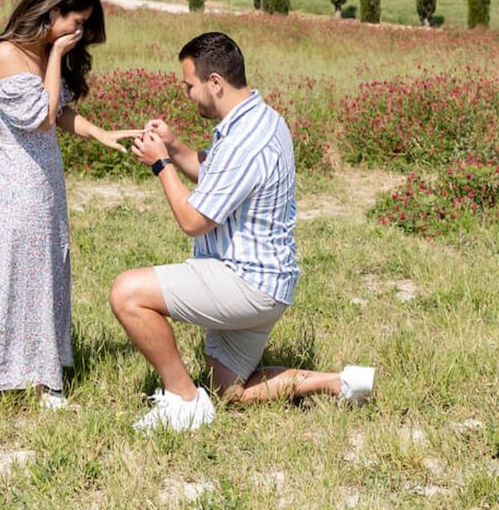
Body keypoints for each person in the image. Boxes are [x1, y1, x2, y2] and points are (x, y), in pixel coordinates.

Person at [111, 31, 376, 432]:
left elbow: (193, 220)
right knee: (229, 391)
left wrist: (161, 165)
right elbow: (216, 173)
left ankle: (183, 400)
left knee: (127, 293)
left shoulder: (244, 142)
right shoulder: (260, 119)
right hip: (269, 282)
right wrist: (174, 145)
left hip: (244, 282)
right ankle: (339, 383)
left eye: (189, 86)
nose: (187, 95)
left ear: (214, 82)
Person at [0, 0, 138, 408]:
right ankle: (10, 375)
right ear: (52, 9)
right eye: (75, 21)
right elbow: (40, 115)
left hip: (47, 180)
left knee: (48, 271)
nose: (79, 31)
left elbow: (60, 112)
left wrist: (101, 134)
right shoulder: (8, 54)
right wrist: (56, 56)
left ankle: (42, 373)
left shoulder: (42, 51)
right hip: (18, 184)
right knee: (17, 273)